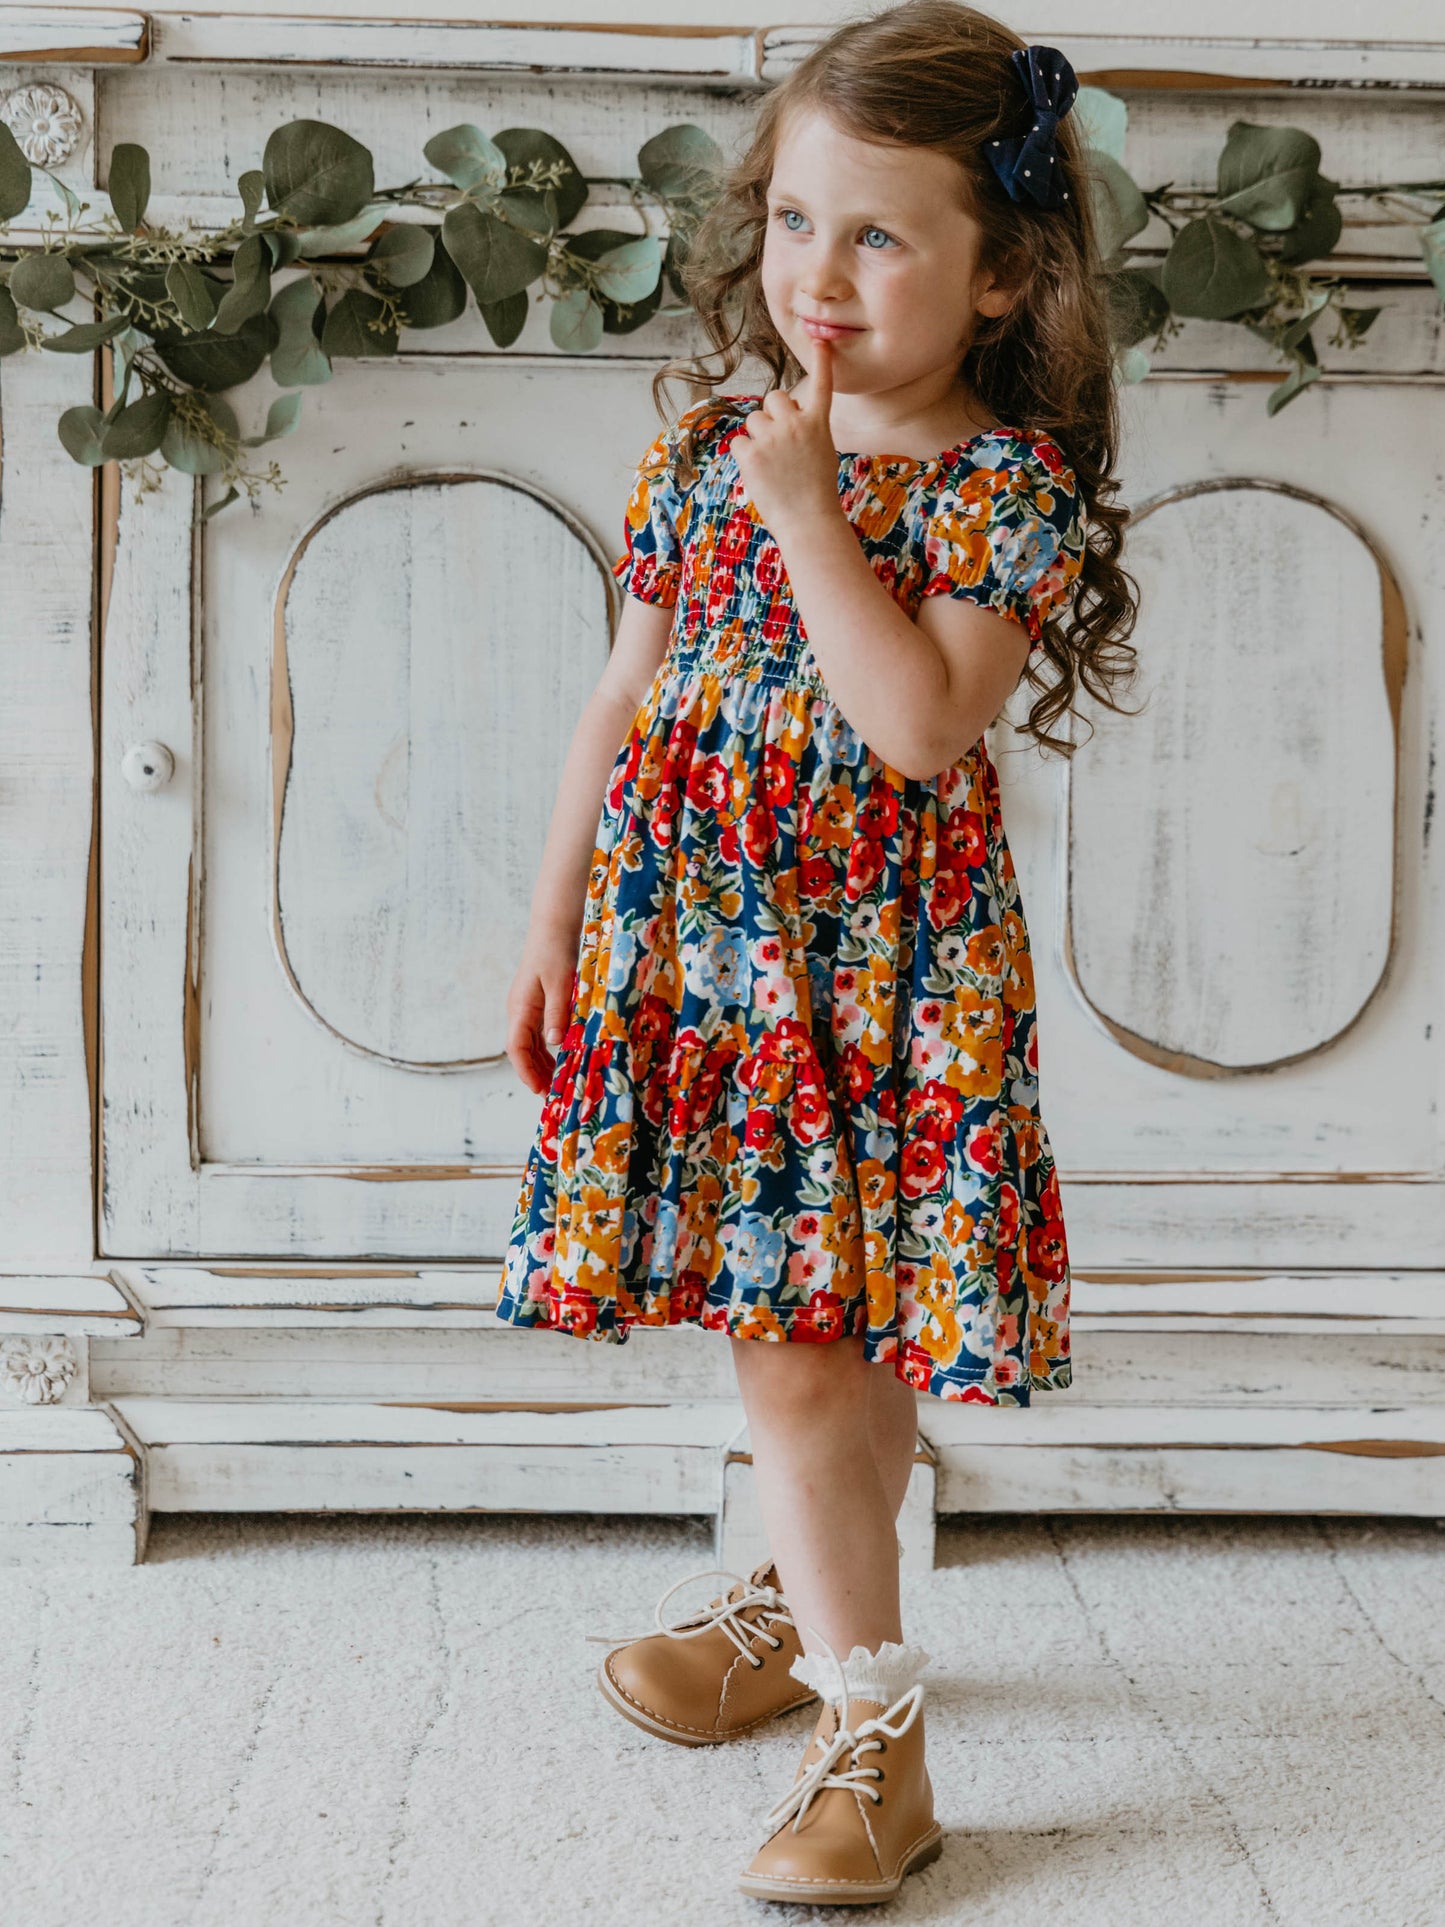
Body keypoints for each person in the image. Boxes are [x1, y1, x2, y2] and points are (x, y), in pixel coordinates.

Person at [497, 0, 1138, 1904]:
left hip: (878, 987)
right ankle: (801, 1606)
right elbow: (620, 703)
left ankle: (883, 1752)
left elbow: (917, 723)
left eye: (878, 235)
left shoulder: (990, 489)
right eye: (792, 222)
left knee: (810, 1347)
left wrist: (807, 507)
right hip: (699, 966)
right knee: (802, 1342)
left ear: (1005, 272)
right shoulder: (707, 449)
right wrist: (551, 919)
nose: (818, 275)